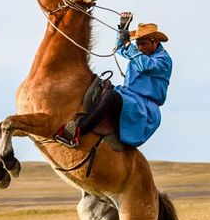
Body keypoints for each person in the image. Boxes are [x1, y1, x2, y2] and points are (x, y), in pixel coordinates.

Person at [54, 12, 173, 148]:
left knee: (109, 97)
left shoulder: (164, 60)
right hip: (129, 97)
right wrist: (122, 28)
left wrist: (129, 43)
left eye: (143, 44)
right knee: (100, 86)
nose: (139, 48)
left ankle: (77, 132)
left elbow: (144, 65)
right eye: (138, 44)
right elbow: (120, 49)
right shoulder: (140, 53)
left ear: (155, 42)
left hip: (144, 108)